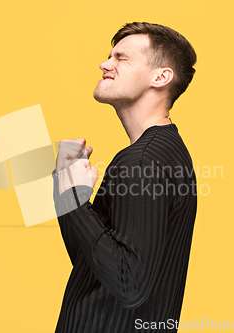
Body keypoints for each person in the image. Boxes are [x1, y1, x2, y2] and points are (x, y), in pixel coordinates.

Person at [52, 22, 198, 332]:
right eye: (109, 56)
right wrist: (66, 191)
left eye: (121, 58)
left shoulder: (142, 160)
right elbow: (93, 264)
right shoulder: (163, 151)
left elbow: (129, 284)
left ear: (161, 77)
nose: (105, 64)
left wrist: (75, 201)